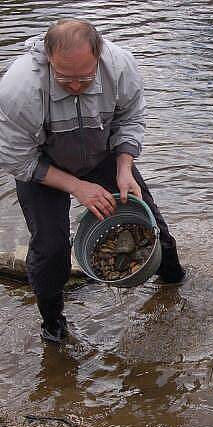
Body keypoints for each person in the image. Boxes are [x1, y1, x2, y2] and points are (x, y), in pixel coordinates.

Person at [0, 19, 186, 343]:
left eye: (84, 78)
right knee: (50, 250)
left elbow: (131, 117)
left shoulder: (120, 66)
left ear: (99, 56)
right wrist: (76, 187)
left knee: (154, 226)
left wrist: (124, 167)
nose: (75, 86)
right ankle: (53, 326)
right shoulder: (19, 88)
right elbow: (16, 158)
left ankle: (174, 285)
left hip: (103, 154)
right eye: (64, 78)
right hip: (45, 165)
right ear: (48, 58)